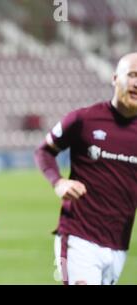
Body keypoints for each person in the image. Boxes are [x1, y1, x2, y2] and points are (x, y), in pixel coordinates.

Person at [34, 52, 137, 285]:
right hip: (79, 238)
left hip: (119, 244)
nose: (136, 83)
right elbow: (44, 151)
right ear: (114, 78)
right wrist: (58, 182)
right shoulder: (84, 119)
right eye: (132, 75)